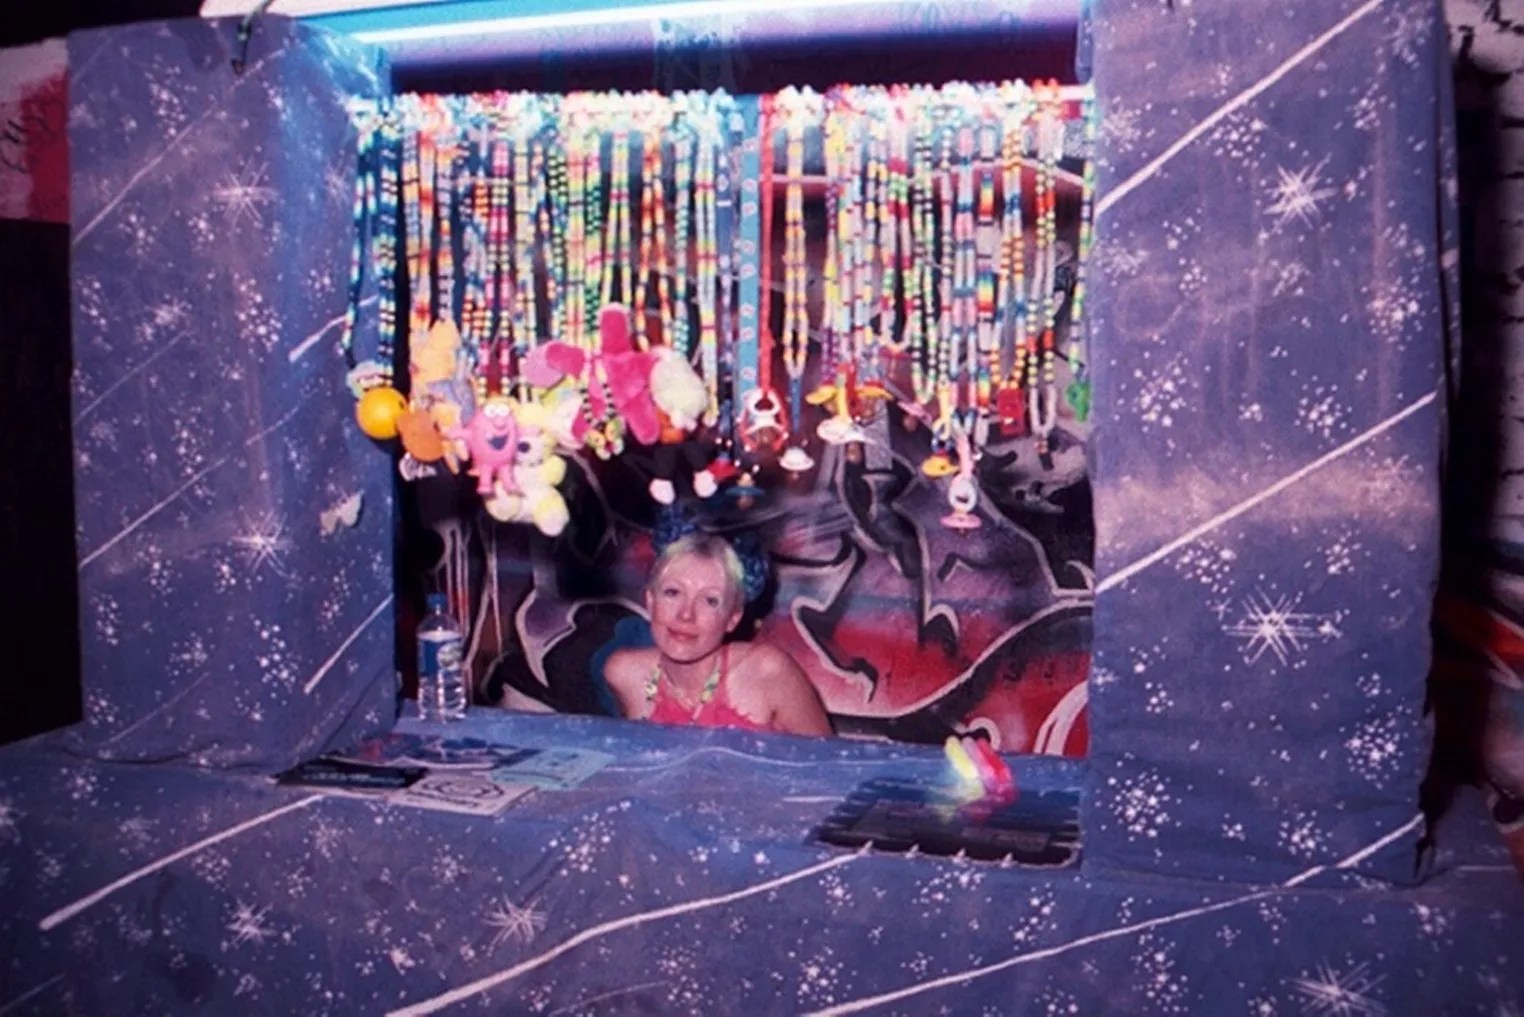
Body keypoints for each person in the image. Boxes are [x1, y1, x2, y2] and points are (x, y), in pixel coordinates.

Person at [604, 532, 834, 737]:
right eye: (673, 593)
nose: (686, 614)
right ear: (650, 601)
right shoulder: (626, 674)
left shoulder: (766, 672)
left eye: (710, 601)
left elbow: (832, 763)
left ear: (733, 618)